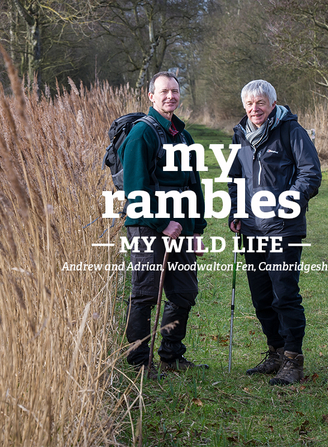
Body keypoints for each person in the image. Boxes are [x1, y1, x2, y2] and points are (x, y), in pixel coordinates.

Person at [228, 80, 321, 385]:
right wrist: (236, 211)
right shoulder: (239, 136)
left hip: (284, 227)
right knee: (261, 296)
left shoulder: (292, 131)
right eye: (249, 104)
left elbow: (310, 174)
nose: (255, 109)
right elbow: (235, 180)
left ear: (272, 104)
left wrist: (286, 203)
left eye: (260, 103)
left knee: (285, 294)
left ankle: (293, 360)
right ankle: (276, 353)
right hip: (252, 229)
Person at [118, 71, 208, 378]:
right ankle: (140, 362)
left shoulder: (183, 136)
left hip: (181, 228)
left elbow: (194, 186)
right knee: (145, 294)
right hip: (147, 226)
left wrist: (196, 230)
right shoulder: (142, 134)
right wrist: (161, 222)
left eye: (174, 91)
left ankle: (171, 354)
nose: (170, 96)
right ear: (151, 97)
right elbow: (134, 189)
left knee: (184, 293)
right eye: (164, 91)